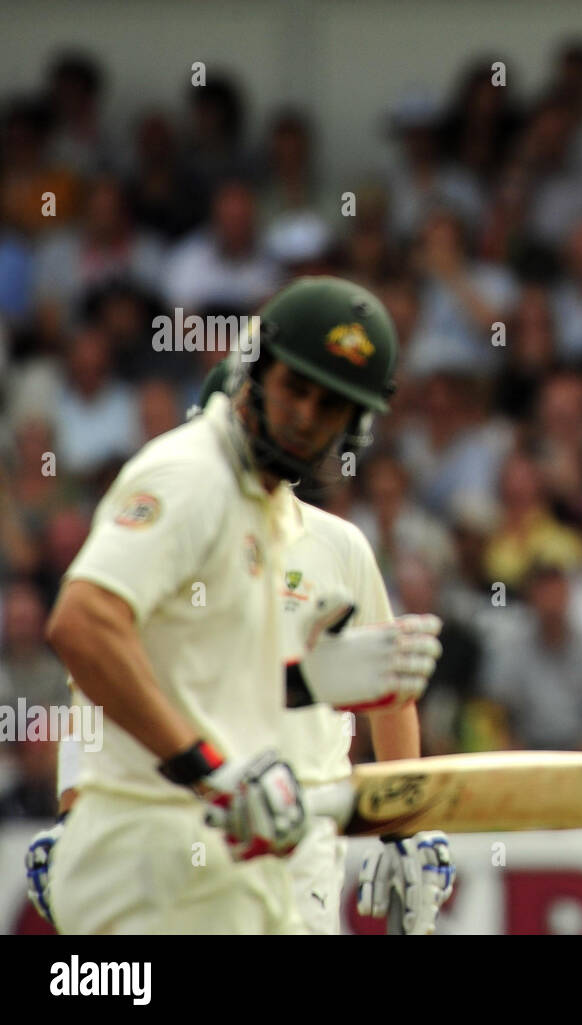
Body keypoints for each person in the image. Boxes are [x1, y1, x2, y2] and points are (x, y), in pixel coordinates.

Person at [38, 277, 443, 933]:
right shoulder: (194, 476)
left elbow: (199, 676)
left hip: (251, 855)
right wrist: (215, 774)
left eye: (331, 403)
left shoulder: (270, 510)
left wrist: (303, 683)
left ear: (358, 424)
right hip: (158, 865)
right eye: (295, 388)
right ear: (253, 374)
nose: (307, 416)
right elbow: (82, 626)